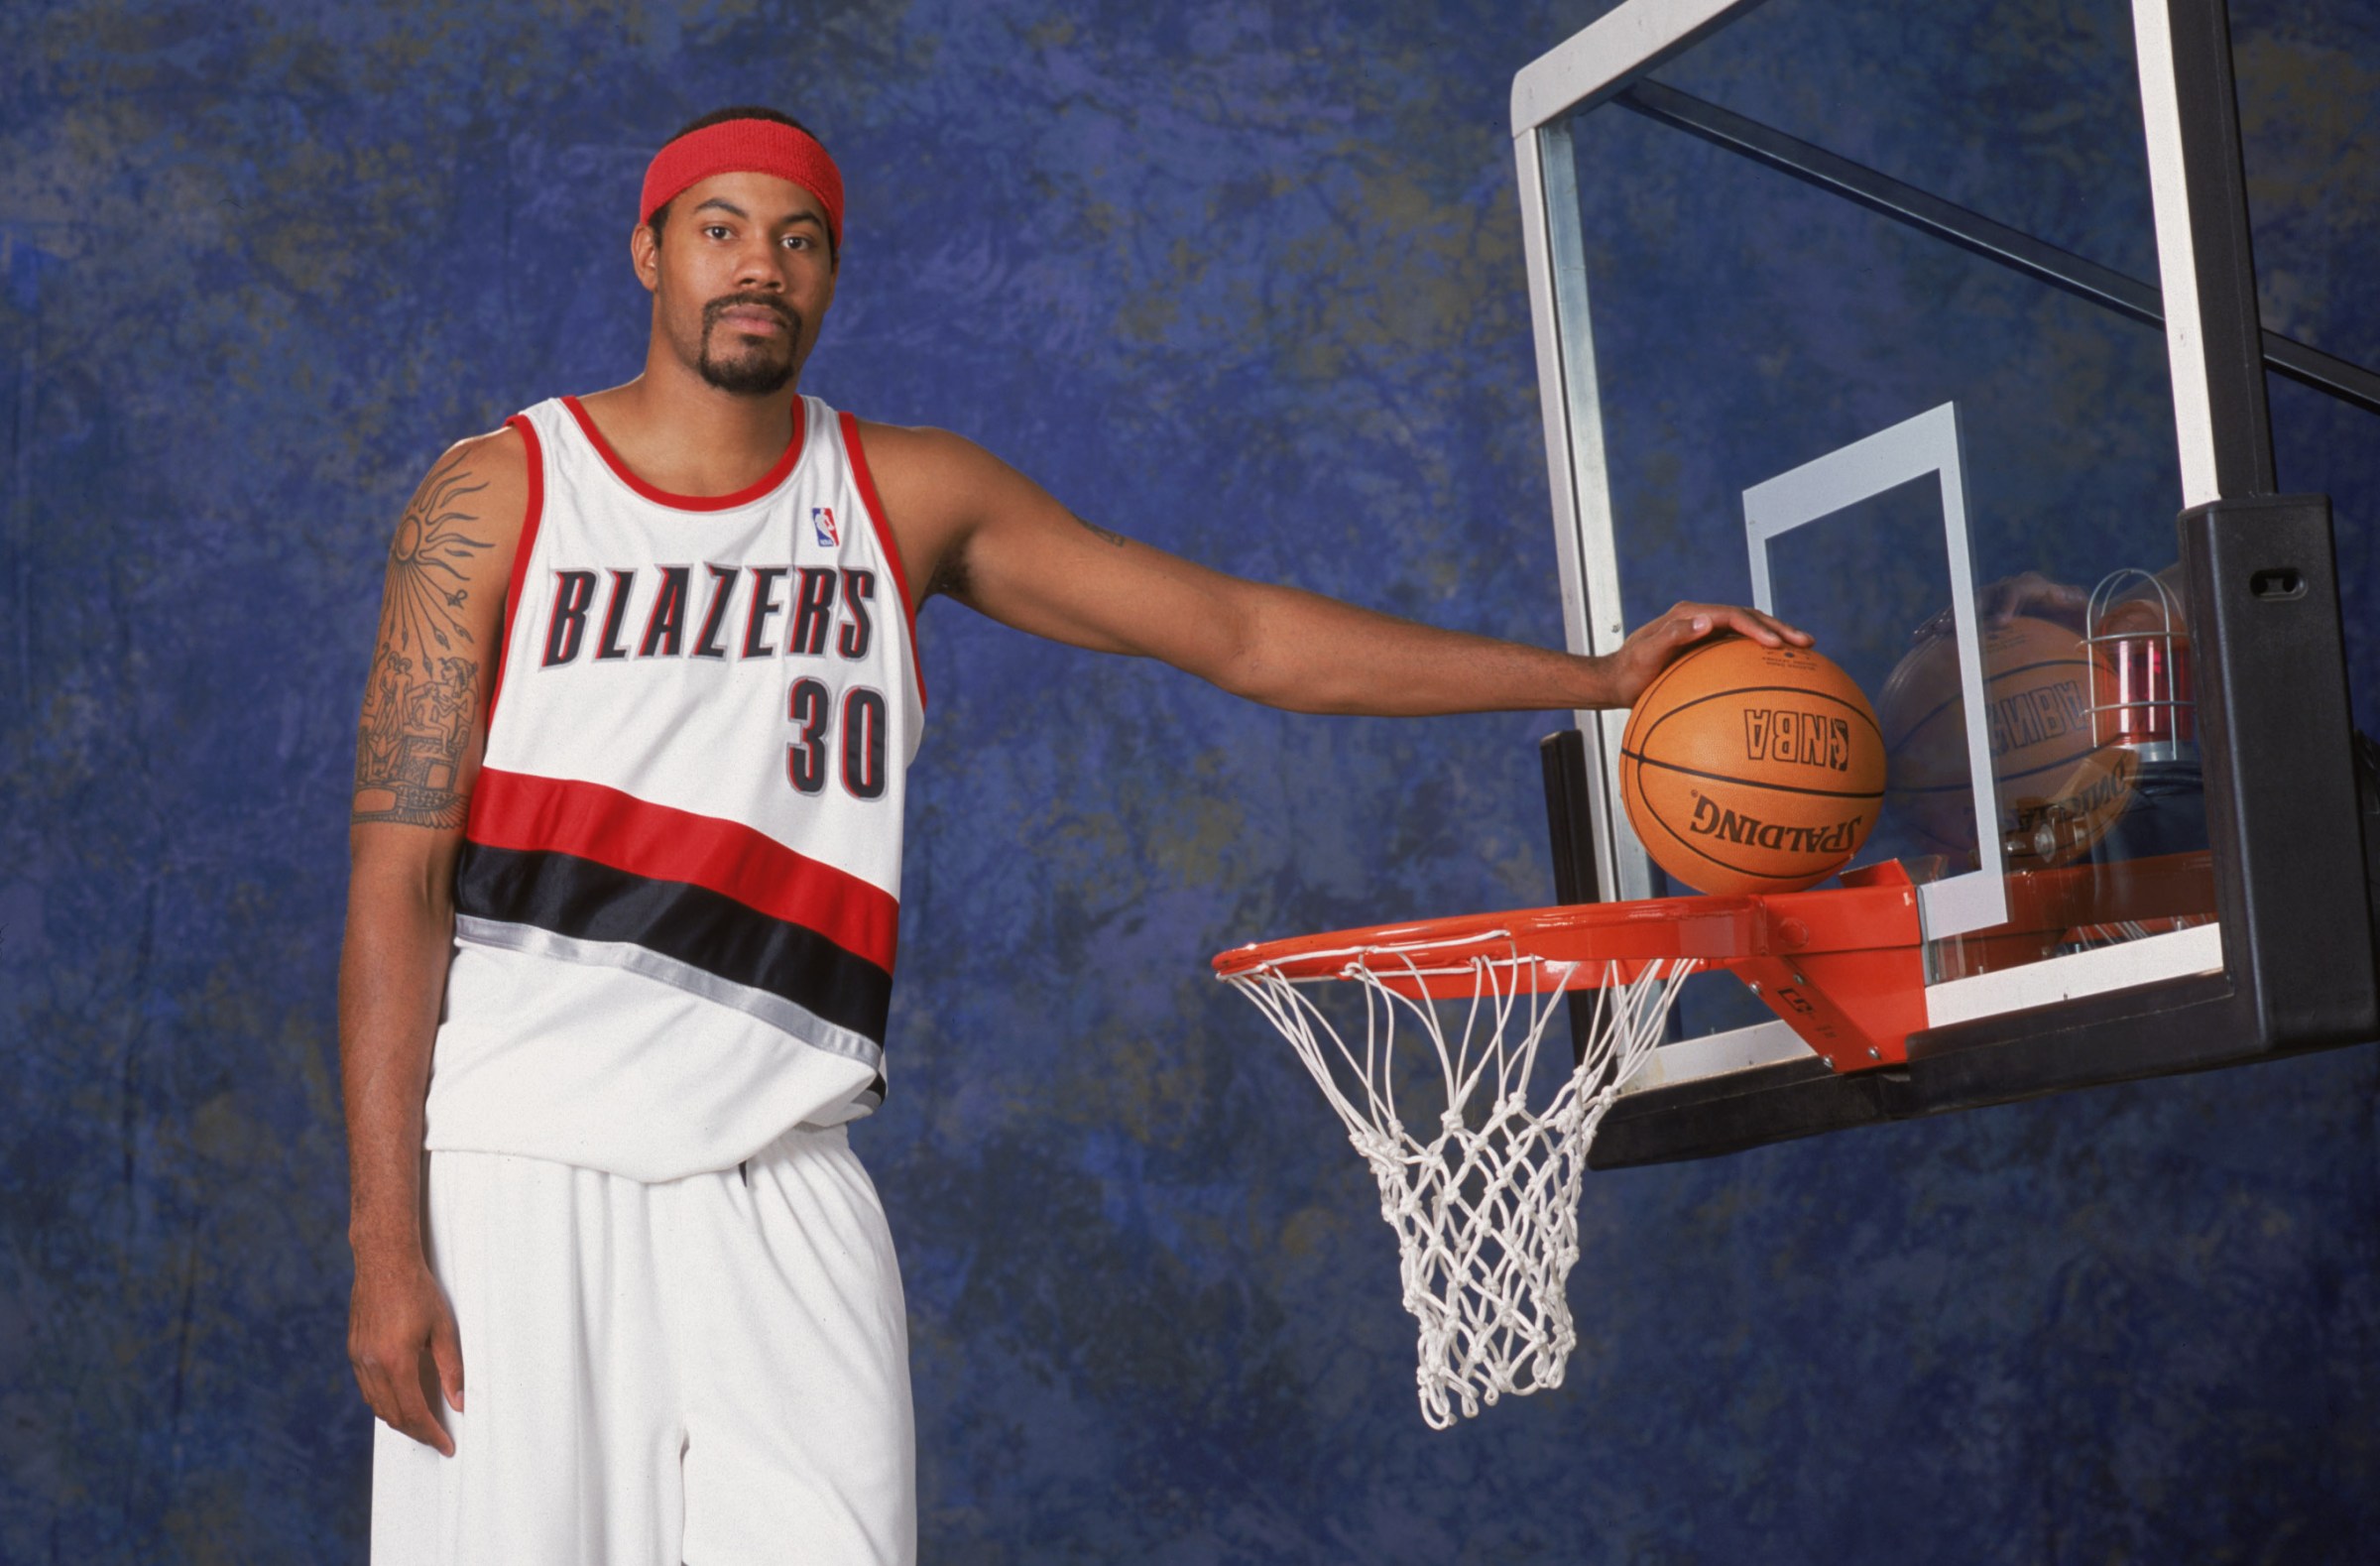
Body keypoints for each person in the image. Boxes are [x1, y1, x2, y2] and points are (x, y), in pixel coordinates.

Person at [340, 106, 1809, 1566]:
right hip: (523, 1164)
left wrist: (1605, 681)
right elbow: (396, 880)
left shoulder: (904, 499)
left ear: (833, 277)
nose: (758, 267)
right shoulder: (500, 494)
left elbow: (1239, 633)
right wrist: (386, 1240)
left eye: (798, 240)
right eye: (720, 229)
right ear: (650, 249)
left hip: (781, 1167)